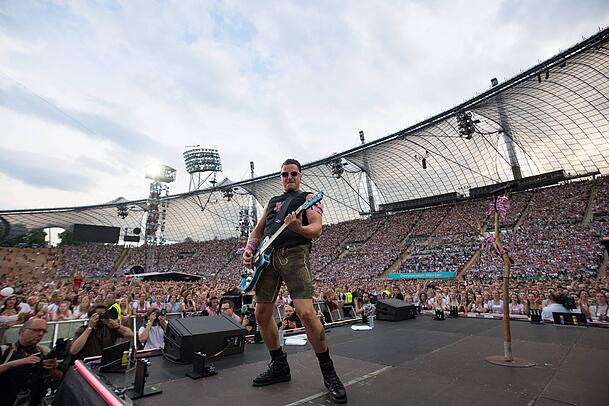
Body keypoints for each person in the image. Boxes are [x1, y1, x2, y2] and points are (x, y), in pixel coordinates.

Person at [243, 159, 346, 404]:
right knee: (262, 314)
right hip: (266, 259)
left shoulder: (309, 197)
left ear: (300, 176)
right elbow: (257, 231)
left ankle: (328, 372)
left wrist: (298, 227)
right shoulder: (271, 202)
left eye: (293, 173)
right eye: (284, 174)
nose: (289, 177)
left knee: (306, 313)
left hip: (295, 253)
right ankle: (279, 365)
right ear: (280, 177)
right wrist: (249, 250)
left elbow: (317, 229)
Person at [0, 318, 63, 406]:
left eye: (43, 331)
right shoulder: (5, 351)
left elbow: (59, 377)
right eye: (36, 330)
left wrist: (53, 368)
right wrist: (17, 363)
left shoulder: (44, 352)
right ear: (23, 331)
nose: (40, 334)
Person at [69, 303, 134, 360]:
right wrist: (89, 327)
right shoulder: (83, 329)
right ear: (90, 316)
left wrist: (116, 326)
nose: (100, 317)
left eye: (103, 314)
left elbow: (130, 334)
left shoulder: (109, 328)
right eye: (98, 315)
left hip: (105, 361)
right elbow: (73, 350)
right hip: (87, 363)